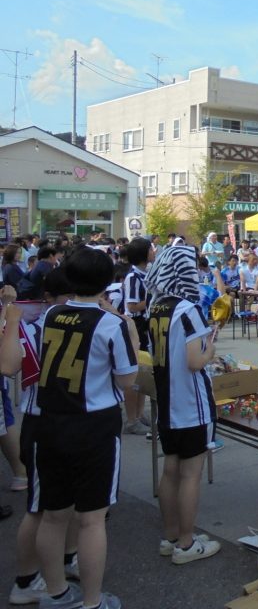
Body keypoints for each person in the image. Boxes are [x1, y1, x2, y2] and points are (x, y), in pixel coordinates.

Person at [34, 246, 140, 609]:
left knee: (53, 514)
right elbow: (127, 379)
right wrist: (128, 329)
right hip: (94, 425)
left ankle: (55, 593)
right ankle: (92, 602)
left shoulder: (51, 314)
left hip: (50, 420)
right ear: (107, 282)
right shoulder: (111, 323)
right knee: (92, 520)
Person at [2, 269, 83, 605]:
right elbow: (8, 366)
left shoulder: (80, 321)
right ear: (47, 298)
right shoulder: (33, 326)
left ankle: (68, 559)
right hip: (42, 422)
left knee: (71, 502)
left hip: (70, 421)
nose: (74, 302)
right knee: (40, 508)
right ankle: (25, 581)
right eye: (68, 296)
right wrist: (11, 318)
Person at [145, 244, 221, 565]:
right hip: (191, 403)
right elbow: (195, 361)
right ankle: (187, 544)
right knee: (191, 474)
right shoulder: (187, 309)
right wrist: (211, 349)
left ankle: (171, 535)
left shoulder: (156, 306)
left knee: (170, 469)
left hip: (167, 401)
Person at [122, 237, 154, 436]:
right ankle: (131, 419)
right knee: (135, 373)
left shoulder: (146, 274)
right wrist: (152, 299)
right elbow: (132, 306)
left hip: (144, 326)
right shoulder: (133, 277)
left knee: (143, 372)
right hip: (136, 325)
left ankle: (140, 413)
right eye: (150, 249)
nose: (153, 251)